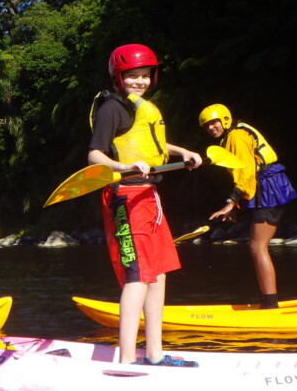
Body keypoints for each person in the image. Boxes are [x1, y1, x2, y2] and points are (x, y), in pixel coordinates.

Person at [88, 43, 202, 367]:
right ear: (118, 78)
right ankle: (126, 361)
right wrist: (124, 167)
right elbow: (95, 154)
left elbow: (152, 143)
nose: (139, 81)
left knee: (159, 274)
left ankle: (153, 354)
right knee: (137, 277)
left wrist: (182, 153)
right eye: (132, 76)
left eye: (144, 75)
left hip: (150, 198)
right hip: (125, 197)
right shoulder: (110, 108)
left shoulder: (140, 108)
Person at [199, 104, 297, 309]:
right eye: (207, 125)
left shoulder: (236, 136)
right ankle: (267, 301)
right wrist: (236, 206)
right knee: (256, 246)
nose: (211, 127)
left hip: (269, 186)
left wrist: (231, 202)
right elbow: (247, 178)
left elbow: (246, 173)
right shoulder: (232, 137)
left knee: (257, 246)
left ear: (225, 120)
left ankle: (270, 304)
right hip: (263, 186)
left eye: (214, 122)